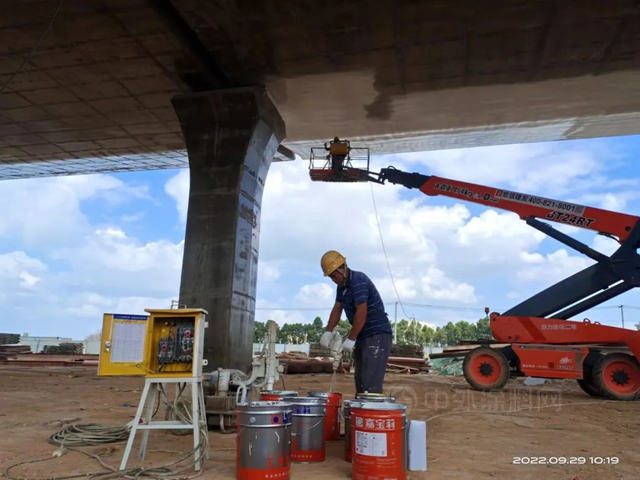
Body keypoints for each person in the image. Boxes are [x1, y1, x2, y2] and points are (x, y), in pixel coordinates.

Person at [319, 250, 393, 393]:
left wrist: (351, 337)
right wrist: (328, 331)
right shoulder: (342, 287)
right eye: (331, 277)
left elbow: (362, 311)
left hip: (377, 335)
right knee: (360, 382)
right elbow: (337, 308)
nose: (333, 279)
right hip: (363, 335)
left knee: (370, 384)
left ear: (343, 268)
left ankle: (371, 413)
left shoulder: (358, 280)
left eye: (334, 276)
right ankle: (362, 412)